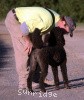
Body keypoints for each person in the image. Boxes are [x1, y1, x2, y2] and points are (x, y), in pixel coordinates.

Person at [5, 6, 76, 89]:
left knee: (40, 51)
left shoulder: (56, 18)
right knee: (24, 50)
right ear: (63, 23)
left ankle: (39, 78)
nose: (64, 34)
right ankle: (24, 82)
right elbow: (24, 27)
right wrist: (28, 42)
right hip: (16, 20)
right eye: (65, 31)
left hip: (27, 25)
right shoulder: (47, 21)